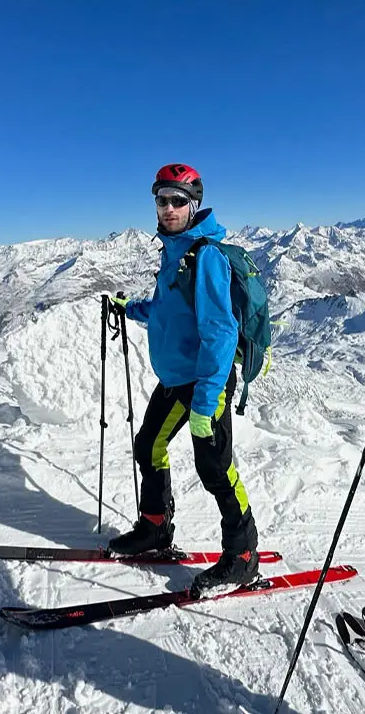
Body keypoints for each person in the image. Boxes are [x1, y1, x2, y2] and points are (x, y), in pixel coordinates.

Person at [105, 163, 260, 597]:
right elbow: (168, 311)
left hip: (203, 381)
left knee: (215, 466)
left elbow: (221, 332)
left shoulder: (206, 256)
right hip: (176, 377)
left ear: (193, 206)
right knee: (148, 445)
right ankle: (156, 528)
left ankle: (243, 556)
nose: (168, 208)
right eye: (162, 199)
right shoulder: (174, 252)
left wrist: (209, 399)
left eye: (178, 201)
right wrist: (129, 308)